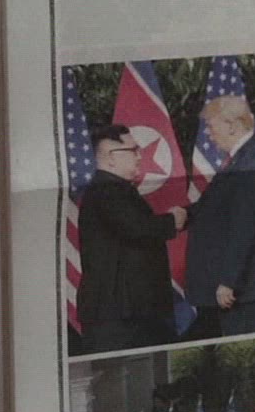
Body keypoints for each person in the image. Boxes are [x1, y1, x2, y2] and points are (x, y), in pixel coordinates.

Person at [77, 124, 188, 353]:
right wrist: (172, 220)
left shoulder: (114, 189)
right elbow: (136, 227)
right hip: (118, 317)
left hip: (127, 312)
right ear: (111, 157)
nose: (139, 156)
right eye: (133, 150)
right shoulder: (106, 190)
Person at [184, 94, 255, 336]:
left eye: (211, 126)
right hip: (235, 288)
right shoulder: (243, 158)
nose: (208, 134)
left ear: (231, 125)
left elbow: (245, 225)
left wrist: (229, 280)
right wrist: (183, 214)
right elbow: (218, 206)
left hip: (242, 291)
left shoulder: (254, 161)